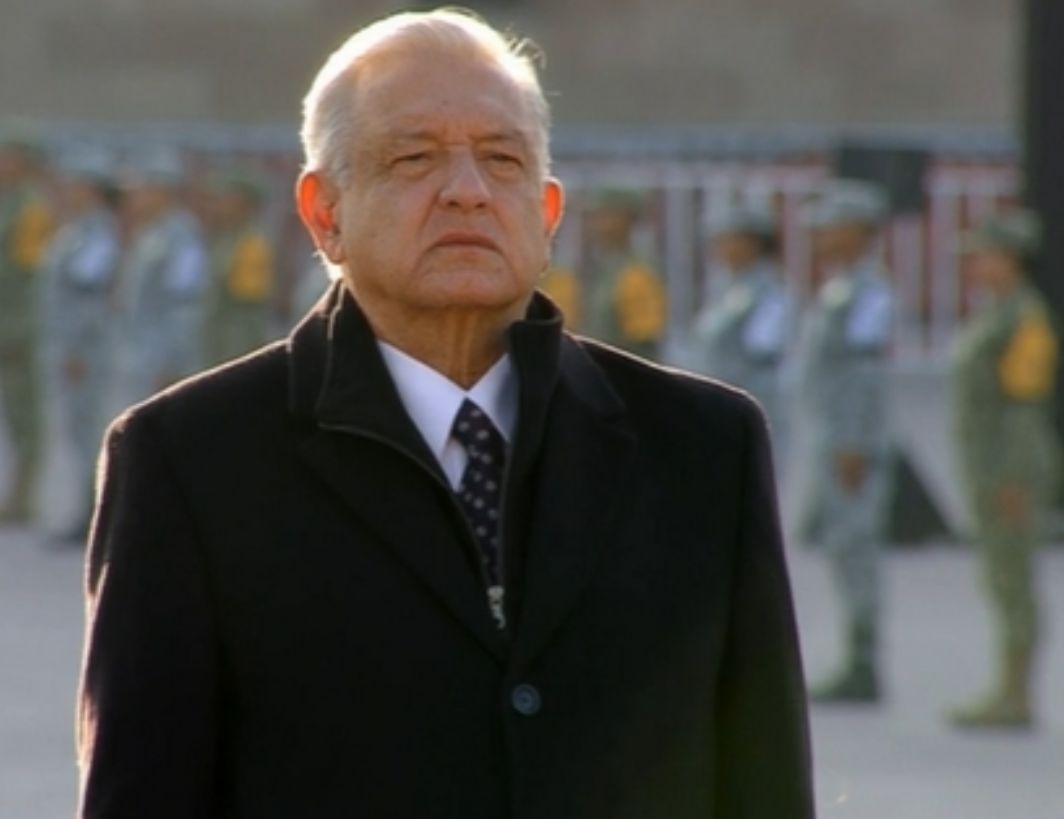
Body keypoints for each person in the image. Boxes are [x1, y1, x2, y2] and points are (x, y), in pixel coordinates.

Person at [76, 9, 814, 818]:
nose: (467, 191)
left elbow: (765, 785)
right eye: (414, 157)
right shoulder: (192, 462)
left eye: (503, 159)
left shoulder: (702, 449)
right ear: (325, 212)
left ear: (547, 211)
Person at [945, 210, 1062, 730]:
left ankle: (1018, 693)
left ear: (1011, 258)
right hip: (989, 468)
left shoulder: (1024, 319)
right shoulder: (996, 314)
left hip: (1011, 470)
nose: (976, 264)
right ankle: (1008, 688)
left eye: (985, 254)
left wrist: (1013, 476)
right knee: (1001, 578)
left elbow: (1023, 405)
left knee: (1014, 580)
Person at [794, 178, 896, 704]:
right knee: (841, 545)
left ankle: (864, 662)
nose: (823, 237)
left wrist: (855, 442)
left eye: (833, 228)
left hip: (851, 444)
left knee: (856, 548)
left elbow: (864, 373)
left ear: (858, 232)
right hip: (833, 437)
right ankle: (856, 655)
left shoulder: (869, 294)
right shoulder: (843, 288)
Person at [0, 134, 55, 525]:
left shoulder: (30, 210)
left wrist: (19, 329)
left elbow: (30, 276)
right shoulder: (6, 205)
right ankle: (16, 491)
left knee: (24, 409)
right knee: (10, 407)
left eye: (8, 158)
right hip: (0, 323)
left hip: (18, 327)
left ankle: (24, 494)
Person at [41, 149, 120, 545]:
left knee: (88, 432)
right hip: (70, 347)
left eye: (77, 185)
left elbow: (89, 295)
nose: (69, 191)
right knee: (77, 431)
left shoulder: (98, 234)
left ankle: (95, 516)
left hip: (85, 350)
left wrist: (77, 350)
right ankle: (88, 511)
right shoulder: (77, 231)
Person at [691, 201, 792, 441]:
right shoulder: (727, 288)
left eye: (730, 240)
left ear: (753, 243)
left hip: (750, 401)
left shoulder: (770, 292)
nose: (721, 248)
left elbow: (764, 349)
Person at [114, 149, 208, 400]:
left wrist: (173, 365)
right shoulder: (150, 233)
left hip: (163, 362)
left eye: (142, 190)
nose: (135, 198)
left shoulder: (183, 238)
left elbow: (184, 304)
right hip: (141, 354)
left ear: (162, 192)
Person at [578, 188, 666, 359]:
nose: (595, 223)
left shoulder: (637, 271)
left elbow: (642, 340)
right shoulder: (605, 267)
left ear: (625, 218)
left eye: (604, 215)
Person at [200, 171, 277, 364]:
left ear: (244, 204)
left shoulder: (253, 243)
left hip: (237, 334)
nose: (219, 205)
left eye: (226, 198)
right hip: (217, 333)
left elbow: (247, 299)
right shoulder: (225, 237)